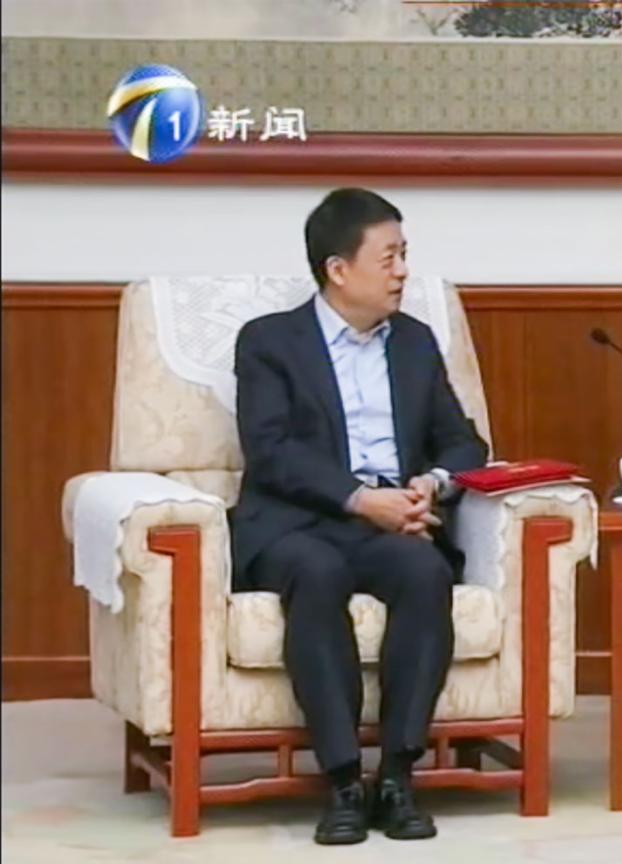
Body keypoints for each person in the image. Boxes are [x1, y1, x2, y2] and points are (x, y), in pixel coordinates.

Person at [230, 188, 488, 845]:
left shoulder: (414, 343)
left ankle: (398, 777)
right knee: (317, 574)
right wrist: (358, 498)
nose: (403, 271)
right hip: (295, 523)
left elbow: (464, 443)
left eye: (405, 255)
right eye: (389, 257)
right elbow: (270, 450)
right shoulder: (269, 342)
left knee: (424, 572)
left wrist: (428, 486)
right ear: (338, 269)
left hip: (390, 522)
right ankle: (343, 781)